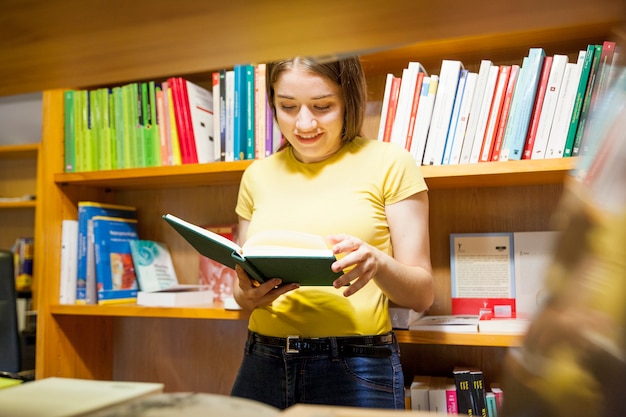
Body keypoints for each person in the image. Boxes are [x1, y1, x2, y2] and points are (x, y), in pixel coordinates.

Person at [229, 56, 434, 410]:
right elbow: (241, 287)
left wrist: (378, 263)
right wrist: (247, 295)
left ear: (348, 99)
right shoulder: (256, 175)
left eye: (322, 106)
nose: (304, 123)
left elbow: (422, 295)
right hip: (263, 358)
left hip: (356, 363)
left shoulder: (389, 162)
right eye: (287, 107)